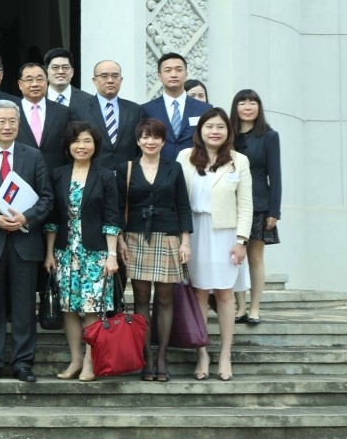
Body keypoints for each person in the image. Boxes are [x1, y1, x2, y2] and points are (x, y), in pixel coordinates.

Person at [0, 101, 53, 382]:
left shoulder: (34, 156)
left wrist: (26, 218)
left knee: (23, 307)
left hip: (25, 243)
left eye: (12, 122)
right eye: (1, 121)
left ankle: (22, 363)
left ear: (19, 125)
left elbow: (47, 198)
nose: (7, 126)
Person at [115, 118, 192, 381]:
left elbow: (183, 205)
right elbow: (117, 209)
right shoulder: (126, 168)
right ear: (138, 140)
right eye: (145, 137)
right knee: (140, 301)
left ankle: (162, 357)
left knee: (165, 299)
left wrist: (185, 241)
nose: (150, 141)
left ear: (163, 140)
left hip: (168, 236)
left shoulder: (174, 167)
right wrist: (120, 240)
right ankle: (146, 357)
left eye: (155, 137)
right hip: (136, 237)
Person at [178, 108, 252, 381]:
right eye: (209, 126)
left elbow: (246, 204)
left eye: (220, 126)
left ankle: (225, 355)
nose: (215, 131)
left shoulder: (239, 161)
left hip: (226, 234)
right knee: (198, 292)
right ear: (200, 131)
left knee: (224, 293)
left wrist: (242, 241)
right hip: (193, 232)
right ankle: (202, 353)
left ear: (228, 131)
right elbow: (177, 197)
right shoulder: (185, 157)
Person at [44, 121, 120, 382]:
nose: (82, 146)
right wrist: (49, 253)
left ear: (95, 145)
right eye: (77, 141)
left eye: (87, 141)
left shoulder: (105, 175)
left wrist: (112, 256)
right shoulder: (58, 174)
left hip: (95, 253)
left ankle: (90, 361)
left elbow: (112, 218)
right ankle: (75, 358)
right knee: (67, 307)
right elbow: (52, 218)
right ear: (68, 145)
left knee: (90, 308)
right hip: (66, 251)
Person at [230, 89, 281, 326]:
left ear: (259, 107)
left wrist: (274, 211)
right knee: (235, 256)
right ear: (236, 107)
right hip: (232, 204)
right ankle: (239, 307)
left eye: (253, 102)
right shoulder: (228, 134)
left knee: (255, 257)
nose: (248, 106)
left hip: (260, 204)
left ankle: (254, 308)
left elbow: (275, 176)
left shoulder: (269, 136)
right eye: (242, 102)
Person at [141, 53, 211, 161]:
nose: (174, 74)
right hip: (159, 171)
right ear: (159, 76)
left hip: (196, 169)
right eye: (168, 70)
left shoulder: (204, 109)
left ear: (186, 74)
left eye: (179, 70)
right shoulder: (146, 109)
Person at [73, 60, 142, 168]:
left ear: (121, 79)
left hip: (128, 175)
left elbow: (140, 146)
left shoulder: (135, 110)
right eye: (104, 76)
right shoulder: (78, 109)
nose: (110, 80)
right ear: (94, 80)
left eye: (115, 76)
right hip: (92, 174)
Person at [15, 62, 71, 172]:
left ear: (47, 82)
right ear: (20, 84)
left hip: (56, 176)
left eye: (40, 79)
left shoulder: (63, 112)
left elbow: (68, 147)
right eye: (29, 80)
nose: (35, 84)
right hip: (21, 175)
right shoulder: (10, 111)